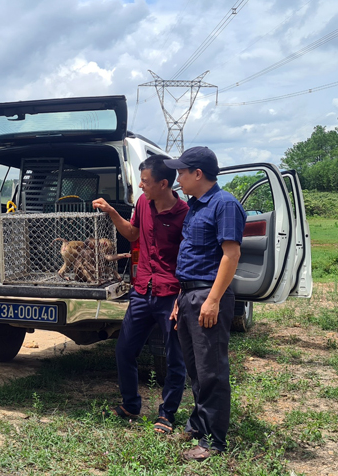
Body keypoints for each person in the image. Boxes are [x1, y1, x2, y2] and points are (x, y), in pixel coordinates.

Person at [93, 155, 188, 435]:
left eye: (145, 182)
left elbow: (189, 259)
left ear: (163, 183)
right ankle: (130, 404)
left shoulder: (184, 214)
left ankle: (167, 414)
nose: (141, 186)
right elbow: (133, 234)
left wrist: (182, 298)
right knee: (124, 350)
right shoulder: (143, 204)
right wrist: (112, 211)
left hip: (170, 294)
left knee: (174, 357)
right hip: (142, 291)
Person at [165, 146, 246, 461]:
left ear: (197, 173)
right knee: (196, 368)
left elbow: (231, 255)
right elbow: (191, 256)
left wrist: (212, 301)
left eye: (181, 173)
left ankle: (213, 441)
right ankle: (199, 424)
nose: (178, 179)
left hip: (207, 297)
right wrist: (178, 299)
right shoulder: (196, 205)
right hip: (188, 295)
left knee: (212, 369)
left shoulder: (224, 205)